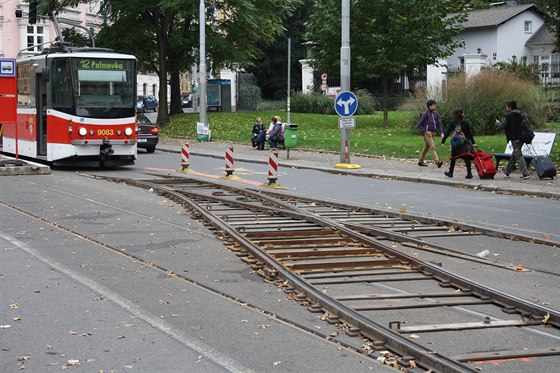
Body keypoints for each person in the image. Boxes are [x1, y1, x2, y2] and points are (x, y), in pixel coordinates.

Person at [495, 100, 530, 179]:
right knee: (515, 154)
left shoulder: (509, 116)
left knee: (518, 155)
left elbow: (502, 127)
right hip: (522, 137)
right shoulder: (521, 114)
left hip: (515, 138)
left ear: (510, 107)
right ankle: (507, 171)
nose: (506, 108)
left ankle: (525, 173)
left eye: (507, 107)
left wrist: (497, 123)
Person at [441, 108, 476, 179]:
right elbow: (469, 133)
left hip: (456, 142)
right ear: (461, 114)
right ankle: (469, 173)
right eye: (463, 112)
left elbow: (447, 132)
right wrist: (473, 143)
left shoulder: (453, 122)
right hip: (465, 142)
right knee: (466, 156)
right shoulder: (465, 122)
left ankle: (451, 172)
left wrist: (443, 141)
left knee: (453, 157)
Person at [417, 99, 444, 168]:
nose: (434, 106)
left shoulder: (436, 114)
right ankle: (437, 162)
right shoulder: (425, 114)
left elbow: (439, 124)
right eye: (432, 105)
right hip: (427, 133)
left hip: (433, 133)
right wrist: (425, 131)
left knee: (427, 147)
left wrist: (441, 132)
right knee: (432, 147)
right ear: (429, 106)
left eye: (434, 105)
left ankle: (420, 161)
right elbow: (419, 124)